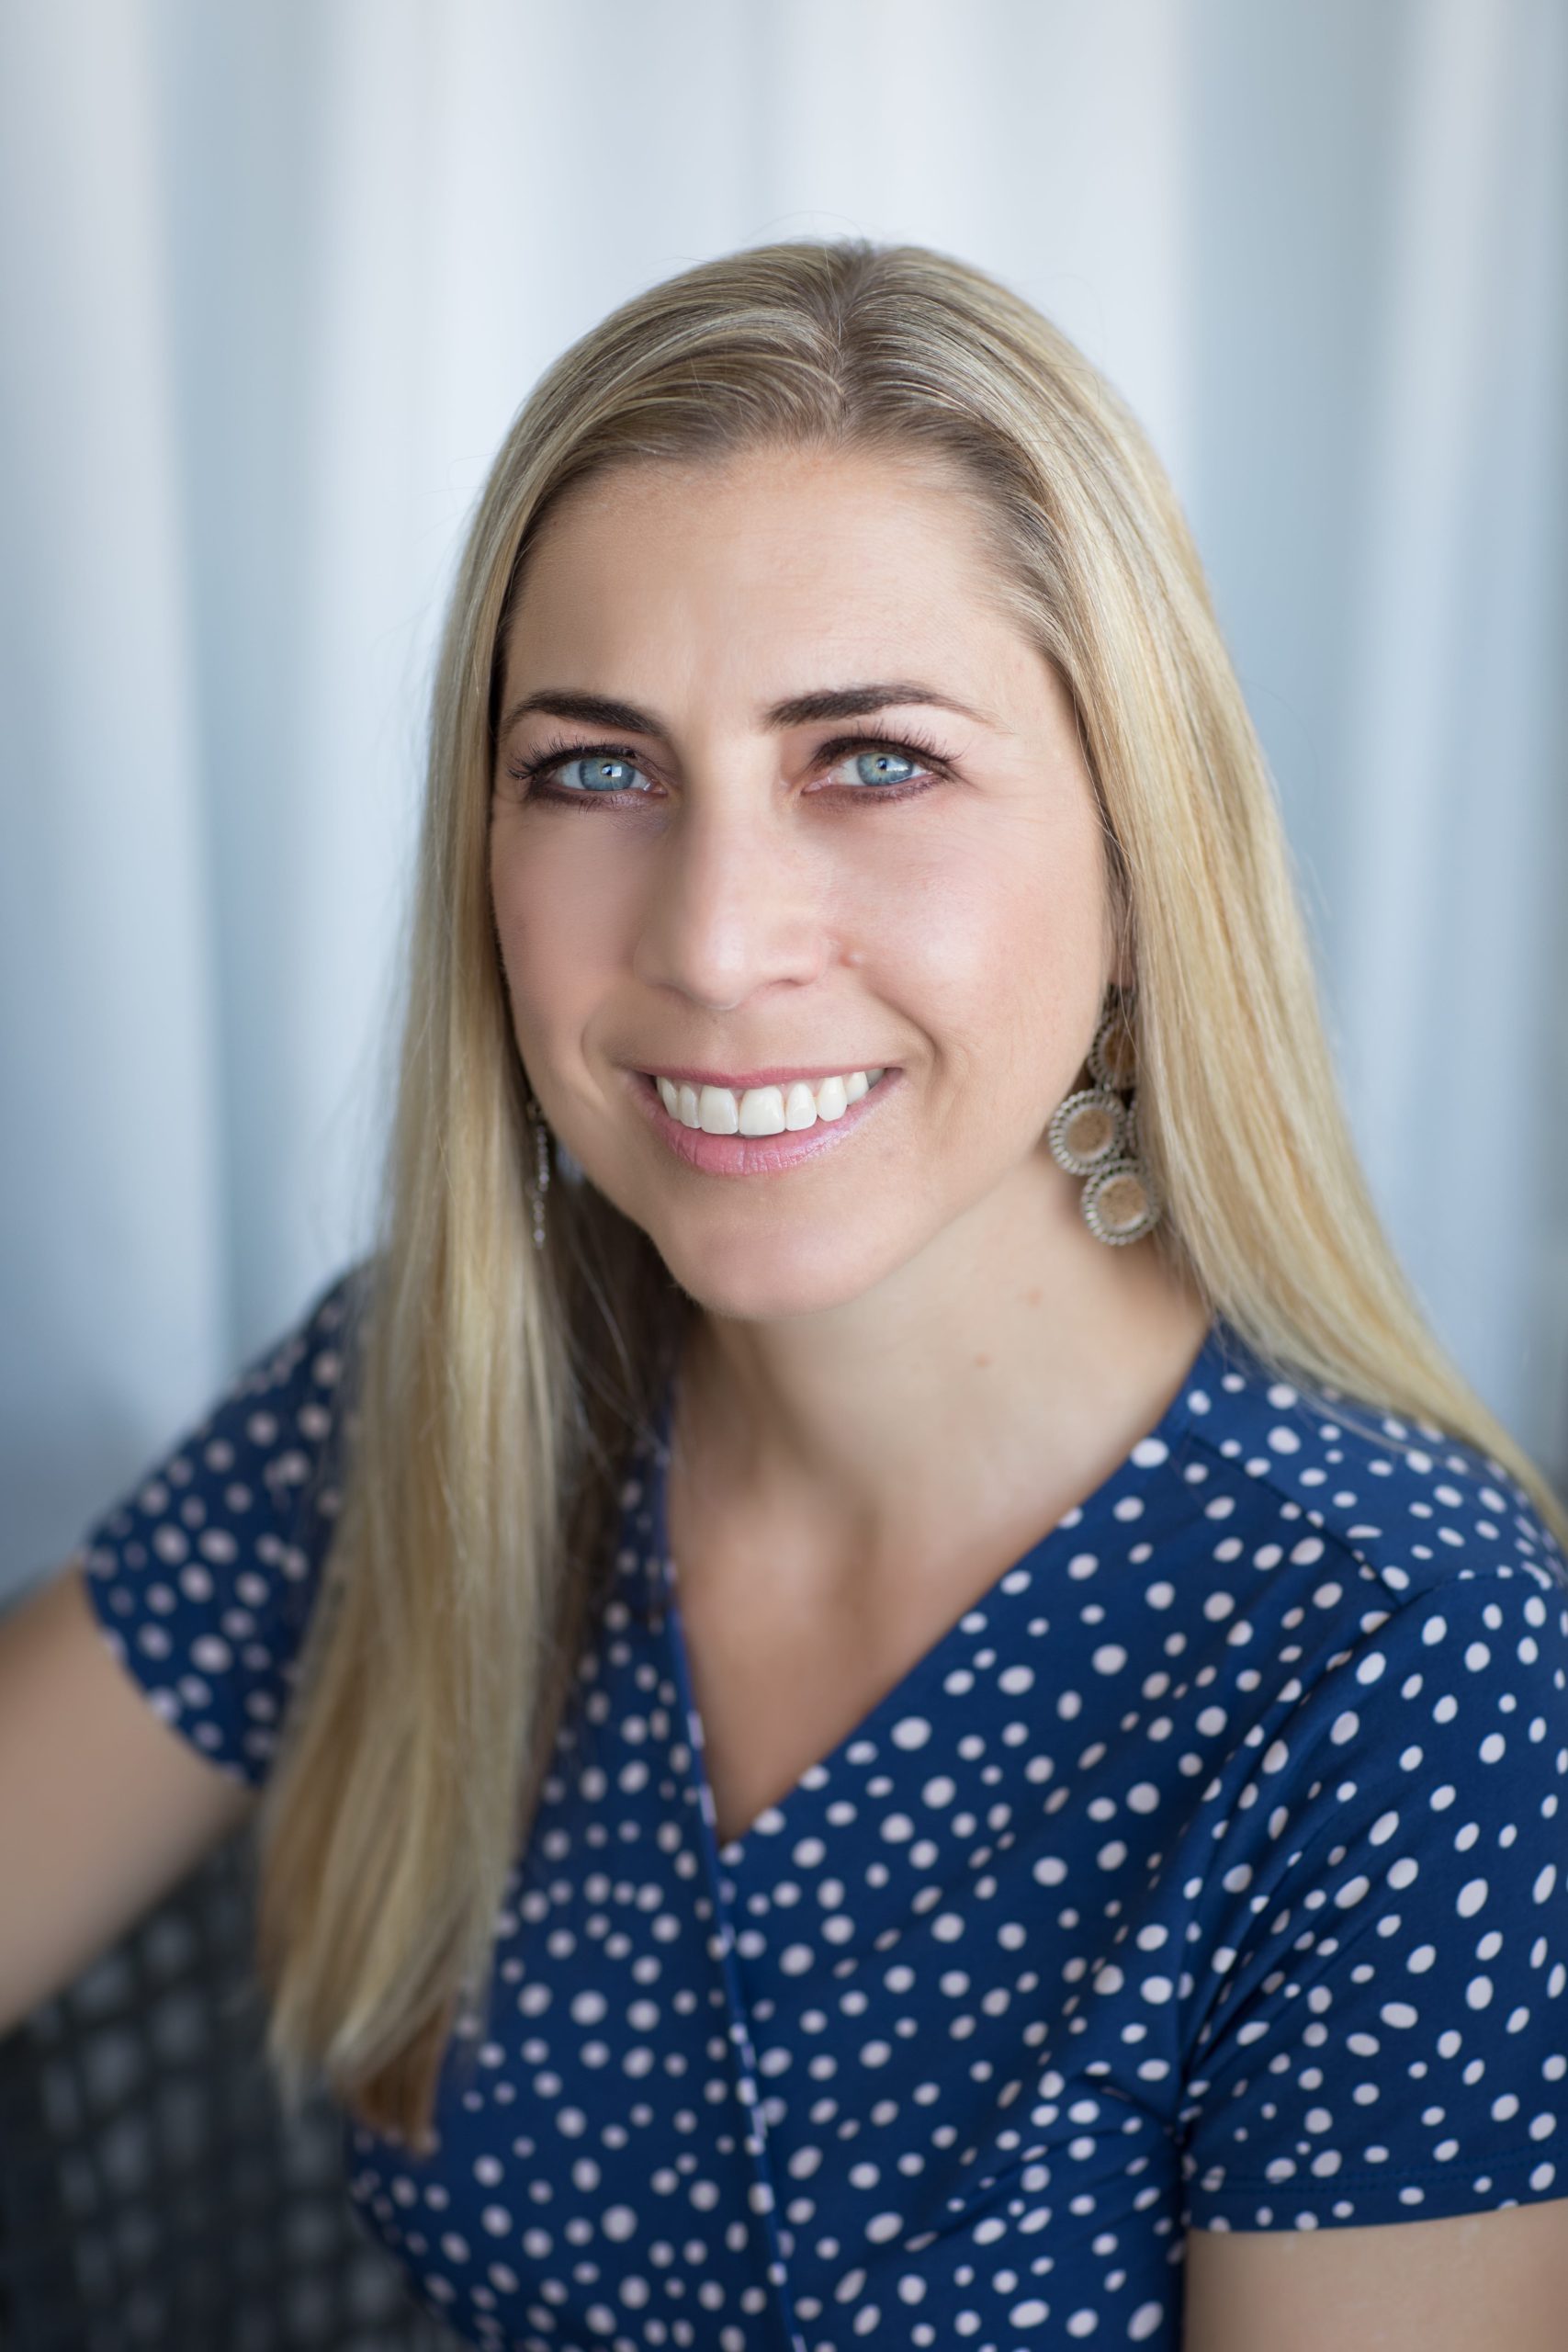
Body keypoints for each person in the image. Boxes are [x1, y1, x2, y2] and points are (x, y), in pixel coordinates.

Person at [3, 239, 1566, 2352]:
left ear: (1133, 862)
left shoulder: (1406, 1658)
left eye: (873, 760)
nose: (717, 938)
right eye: (595, 769)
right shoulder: (448, 1388)